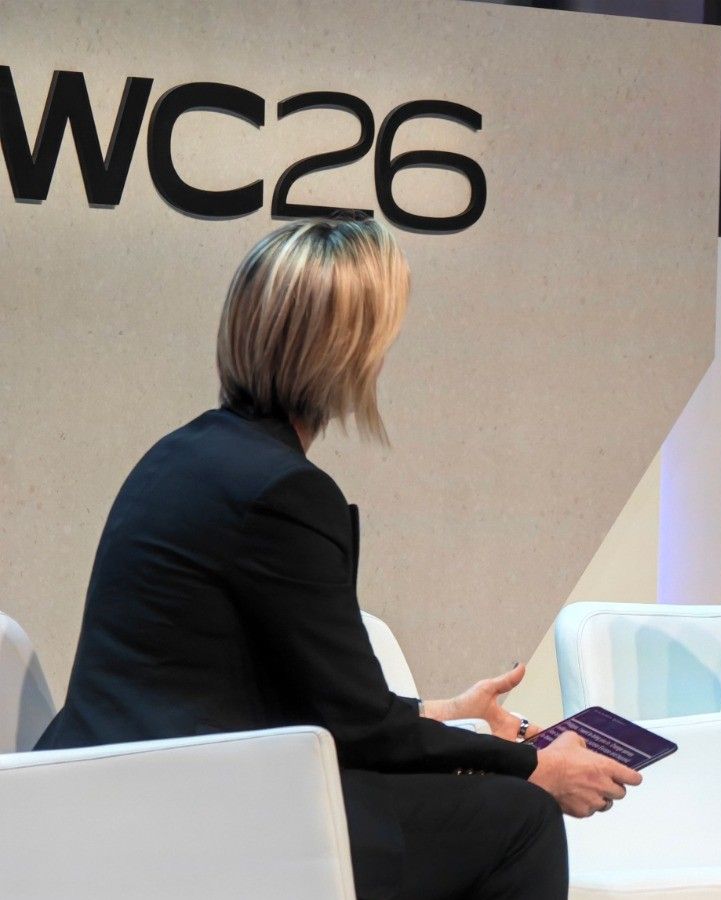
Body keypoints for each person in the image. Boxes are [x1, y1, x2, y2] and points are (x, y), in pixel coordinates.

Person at [35, 217, 640, 900]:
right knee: (521, 819)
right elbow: (357, 730)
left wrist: (447, 712)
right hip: (189, 819)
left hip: (111, 794)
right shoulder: (283, 491)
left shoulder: (182, 455)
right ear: (351, 350)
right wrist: (528, 766)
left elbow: (316, 698)